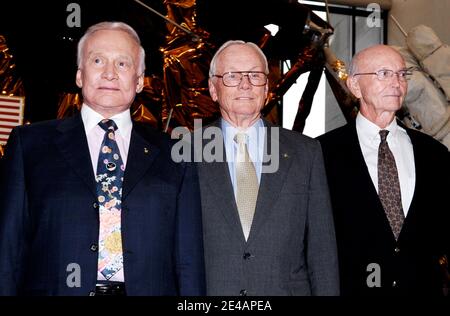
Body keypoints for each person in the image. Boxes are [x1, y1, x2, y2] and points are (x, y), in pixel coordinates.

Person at [0, 21, 205, 296]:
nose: (110, 73)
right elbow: (7, 249)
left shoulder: (177, 155)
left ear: (139, 80)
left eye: (123, 64)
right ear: (79, 75)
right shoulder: (30, 145)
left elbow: (188, 259)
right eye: (98, 60)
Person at [195, 40, 339, 296]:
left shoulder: (305, 152)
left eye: (255, 75)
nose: (245, 84)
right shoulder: (186, 152)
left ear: (267, 88)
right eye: (232, 76)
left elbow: (322, 249)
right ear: (213, 89)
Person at [318, 44, 450, 296]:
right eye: (383, 74)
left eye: (402, 74)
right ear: (355, 85)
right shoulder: (321, 153)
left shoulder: (434, 154)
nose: (396, 83)